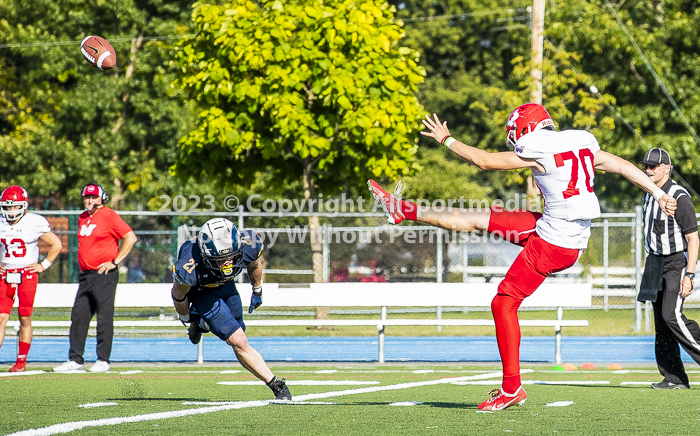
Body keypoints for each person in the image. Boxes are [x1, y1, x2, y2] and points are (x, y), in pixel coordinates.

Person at [368, 104, 677, 410]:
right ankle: (403, 210)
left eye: (516, 131)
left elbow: (484, 161)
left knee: (503, 301)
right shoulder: (579, 143)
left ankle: (511, 388)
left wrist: (446, 140)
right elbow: (623, 165)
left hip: (554, 242)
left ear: (527, 128)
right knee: (478, 218)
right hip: (559, 231)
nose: (514, 138)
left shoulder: (539, 148)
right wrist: (659, 192)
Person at [171, 217, 292, 401]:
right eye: (220, 259)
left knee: (240, 336)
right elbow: (178, 295)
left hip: (227, 288)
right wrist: (187, 319)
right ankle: (276, 385)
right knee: (238, 340)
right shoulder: (189, 264)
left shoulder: (247, 243)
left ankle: (204, 322)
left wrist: (257, 289)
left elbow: (254, 263)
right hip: (202, 292)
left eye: (230, 257)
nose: (227, 263)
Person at [53, 183, 137, 373]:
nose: (90, 200)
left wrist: (114, 262)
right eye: (87, 197)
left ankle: (103, 359)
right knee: (79, 316)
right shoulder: (83, 217)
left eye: (94, 197)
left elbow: (130, 237)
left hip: (104, 274)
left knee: (104, 316)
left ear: (102, 198)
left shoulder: (109, 215)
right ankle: (75, 359)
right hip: (86, 275)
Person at [636, 148, 700, 389]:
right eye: (646, 166)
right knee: (661, 323)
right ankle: (674, 377)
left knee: (671, 315)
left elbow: (693, 238)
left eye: (653, 166)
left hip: (674, 262)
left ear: (666, 168)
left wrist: (690, 274)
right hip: (654, 262)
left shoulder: (680, 197)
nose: (648, 170)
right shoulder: (648, 193)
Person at [0, 186, 63, 372]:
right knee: (1, 316)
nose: (11, 210)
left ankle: (21, 361)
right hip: (6, 274)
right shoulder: (1, 222)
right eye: (8, 207)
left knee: (24, 318)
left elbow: (56, 244)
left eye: (15, 206)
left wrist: (43, 265)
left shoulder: (34, 222)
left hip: (27, 274)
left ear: (24, 205)